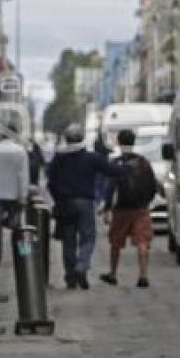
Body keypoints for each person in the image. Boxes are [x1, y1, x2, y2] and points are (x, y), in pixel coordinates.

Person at [47, 124, 128, 290]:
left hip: (66, 203)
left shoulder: (58, 158)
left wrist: (58, 199)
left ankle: (70, 276)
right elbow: (111, 170)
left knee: (68, 240)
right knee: (88, 237)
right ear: (82, 138)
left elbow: (51, 182)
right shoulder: (91, 157)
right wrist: (128, 167)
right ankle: (81, 266)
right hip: (85, 202)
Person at [99, 129, 159, 288]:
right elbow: (153, 186)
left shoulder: (116, 163)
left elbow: (110, 188)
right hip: (140, 209)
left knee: (116, 242)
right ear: (134, 141)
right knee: (142, 241)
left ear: (118, 142)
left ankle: (112, 273)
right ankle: (143, 275)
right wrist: (146, 202)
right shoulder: (143, 162)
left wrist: (107, 208)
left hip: (121, 209)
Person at [0, 123, 31, 266]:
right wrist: (23, 195)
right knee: (18, 226)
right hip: (14, 194)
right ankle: (23, 254)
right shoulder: (20, 151)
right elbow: (23, 175)